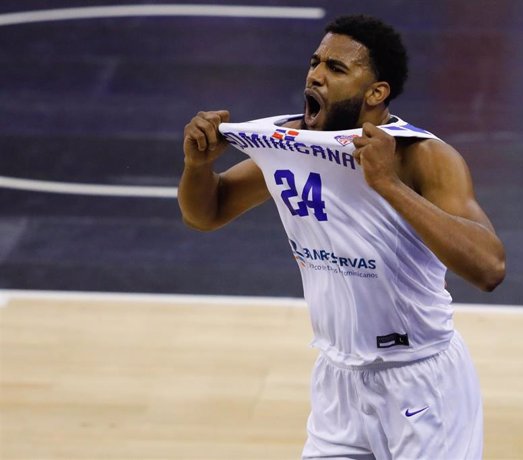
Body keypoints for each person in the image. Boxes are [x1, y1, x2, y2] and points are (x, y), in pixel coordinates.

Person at [178, 14, 505, 460]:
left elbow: (489, 268)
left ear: (376, 93)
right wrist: (198, 167)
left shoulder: (422, 155)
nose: (316, 74)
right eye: (315, 62)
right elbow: (207, 213)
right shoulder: (288, 145)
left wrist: (388, 185)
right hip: (338, 381)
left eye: (336, 68)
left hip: (423, 381)